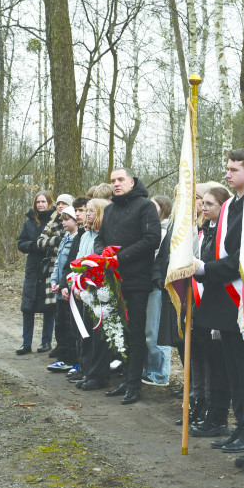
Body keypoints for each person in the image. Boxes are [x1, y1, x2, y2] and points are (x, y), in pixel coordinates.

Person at [195, 151, 244, 455]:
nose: (228, 174)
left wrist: (207, 269)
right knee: (233, 369)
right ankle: (242, 426)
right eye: (227, 168)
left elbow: (243, 256)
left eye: (235, 169)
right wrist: (201, 265)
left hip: (243, 295)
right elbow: (217, 249)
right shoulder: (229, 206)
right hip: (223, 296)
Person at [95, 168, 161, 405]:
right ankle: (125, 378)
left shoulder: (145, 207)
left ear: (132, 182)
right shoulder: (110, 209)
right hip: (112, 279)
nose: (116, 184)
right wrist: (101, 255)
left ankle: (134, 384)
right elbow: (100, 238)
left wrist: (120, 257)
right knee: (118, 331)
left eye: (121, 180)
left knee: (135, 332)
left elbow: (152, 239)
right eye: (113, 181)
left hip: (137, 279)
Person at [188, 185, 235, 437]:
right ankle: (211, 413)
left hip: (225, 304)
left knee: (219, 366)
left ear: (222, 206)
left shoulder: (223, 233)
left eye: (209, 204)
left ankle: (219, 417)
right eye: (202, 203)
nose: (203, 207)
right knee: (210, 362)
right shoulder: (206, 230)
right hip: (207, 303)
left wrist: (204, 268)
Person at [74, 198, 110, 389]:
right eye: (86, 211)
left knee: (99, 335)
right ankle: (87, 371)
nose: (87, 214)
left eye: (92, 211)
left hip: (100, 291)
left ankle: (99, 375)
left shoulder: (104, 237)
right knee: (85, 331)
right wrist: (76, 283)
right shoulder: (86, 236)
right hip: (84, 290)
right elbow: (79, 260)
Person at [16, 191, 56, 354]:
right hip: (32, 267)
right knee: (28, 305)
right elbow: (21, 243)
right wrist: (34, 246)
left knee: (49, 306)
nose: (40, 204)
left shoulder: (55, 220)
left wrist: (45, 246)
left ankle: (46, 342)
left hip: (49, 265)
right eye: (38, 202)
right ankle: (26, 343)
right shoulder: (29, 222)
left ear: (49, 203)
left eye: (43, 201)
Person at [142, 195, 174, 387]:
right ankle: (150, 368)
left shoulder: (163, 232)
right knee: (148, 331)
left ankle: (160, 373)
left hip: (157, 286)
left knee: (155, 331)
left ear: (163, 209)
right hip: (148, 284)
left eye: (153, 207)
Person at [47, 205, 80, 372]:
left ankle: (73, 359)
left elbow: (71, 266)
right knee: (60, 324)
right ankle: (63, 357)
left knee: (70, 326)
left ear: (75, 220)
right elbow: (59, 263)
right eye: (62, 219)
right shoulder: (65, 238)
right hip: (60, 289)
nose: (64, 222)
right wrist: (55, 281)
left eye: (67, 219)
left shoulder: (77, 240)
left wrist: (64, 283)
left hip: (70, 289)